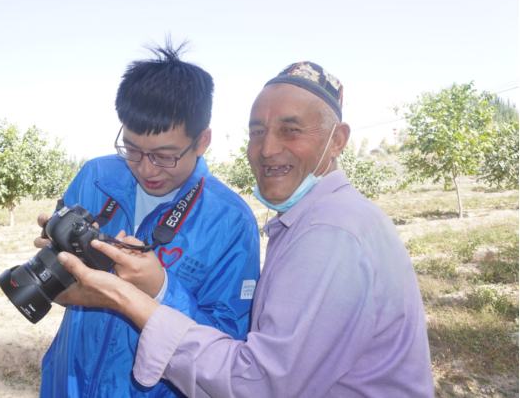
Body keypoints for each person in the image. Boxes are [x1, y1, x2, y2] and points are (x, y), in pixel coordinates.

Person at [55, 61, 436, 397]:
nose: (267, 149)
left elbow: (258, 383)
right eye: (257, 132)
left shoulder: (328, 234)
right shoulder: (313, 220)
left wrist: (140, 294)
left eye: (291, 130)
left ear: (337, 140)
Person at [36, 42, 261, 398]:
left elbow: (227, 346)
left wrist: (161, 290)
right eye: (132, 149)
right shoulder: (95, 177)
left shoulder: (230, 221)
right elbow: (68, 286)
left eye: (164, 156)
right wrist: (58, 260)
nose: (146, 169)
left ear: (202, 141)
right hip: (69, 381)